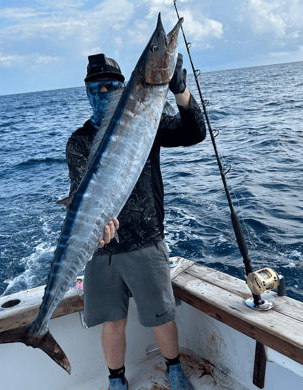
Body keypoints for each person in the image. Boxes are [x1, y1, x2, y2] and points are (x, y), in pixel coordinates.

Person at [64, 53, 206, 390]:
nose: (103, 93)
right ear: (86, 92)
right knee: (112, 321)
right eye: (95, 88)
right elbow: (81, 196)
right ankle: (116, 380)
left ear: (124, 89)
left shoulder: (148, 121)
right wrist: (94, 235)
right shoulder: (78, 142)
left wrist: (180, 92)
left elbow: (195, 132)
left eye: (111, 87)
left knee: (161, 315)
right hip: (102, 250)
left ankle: (173, 370)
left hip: (147, 240)